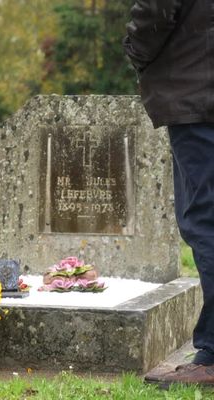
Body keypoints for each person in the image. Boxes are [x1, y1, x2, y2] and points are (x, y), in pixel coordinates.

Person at [124, 0, 214, 388]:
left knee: (206, 221)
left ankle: (212, 355)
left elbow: (157, 10)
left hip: (199, 95)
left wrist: (137, 53)